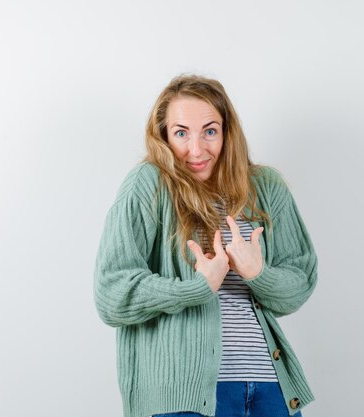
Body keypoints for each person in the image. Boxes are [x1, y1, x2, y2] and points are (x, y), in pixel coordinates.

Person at [94, 75, 318, 417]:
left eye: (209, 131)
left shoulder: (265, 188)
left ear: (227, 132)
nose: (196, 149)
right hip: (183, 396)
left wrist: (258, 273)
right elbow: (111, 294)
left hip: (271, 390)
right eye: (181, 132)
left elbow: (299, 282)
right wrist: (195, 288)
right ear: (164, 135)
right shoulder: (149, 185)